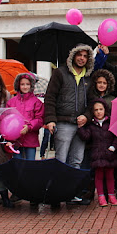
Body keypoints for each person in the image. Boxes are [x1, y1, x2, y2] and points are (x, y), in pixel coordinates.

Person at [44, 44, 95, 206]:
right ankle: (57, 193)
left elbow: (92, 102)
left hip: (81, 125)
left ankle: (71, 193)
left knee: (76, 161)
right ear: (73, 56)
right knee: (61, 159)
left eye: (85, 56)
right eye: (79, 55)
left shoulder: (89, 77)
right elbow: (50, 97)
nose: (82, 58)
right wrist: (50, 119)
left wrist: (86, 117)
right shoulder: (60, 73)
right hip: (63, 122)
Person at [77, 99, 117, 207]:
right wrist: (80, 128)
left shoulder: (111, 123)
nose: (98, 112)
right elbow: (86, 137)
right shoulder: (92, 125)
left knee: (110, 176)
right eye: (96, 110)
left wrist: (113, 147)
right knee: (99, 176)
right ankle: (101, 196)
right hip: (97, 155)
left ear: (105, 110)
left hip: (109, 154)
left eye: (101, 109)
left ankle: (111, 195)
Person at [6, 73, 44, 160]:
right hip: (15, 140)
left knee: (29, 166)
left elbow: (39, 119)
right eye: (22, 84)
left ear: (31, 86)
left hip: (30, 140)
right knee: (17, 166)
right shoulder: (11, 102)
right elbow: (7, 118)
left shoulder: (36, 102)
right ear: (18, 85)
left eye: (27, 84)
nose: (25, 87)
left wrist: (29, 127)